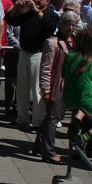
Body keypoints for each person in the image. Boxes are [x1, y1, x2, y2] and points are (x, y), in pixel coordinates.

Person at [5, 0, 58, 130]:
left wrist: (35, 10)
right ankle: (21, 118)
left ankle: (38, 121)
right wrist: (17, 7)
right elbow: (11, 20)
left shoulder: (50, 14)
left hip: (39, 54)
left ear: (48, 1)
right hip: (24, 52)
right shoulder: (27, 13)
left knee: (37, 88)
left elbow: (49, 25)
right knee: (22, 87)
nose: (36, 0)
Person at [36, 10, 78, 163]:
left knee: (52, 117)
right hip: (56, 86)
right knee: (53, 118)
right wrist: (45, 90)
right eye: (68, 24)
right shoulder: (52, 42)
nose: (71, 28)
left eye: (73, 24)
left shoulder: (75, 41)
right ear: (61, 25)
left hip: (69, 85)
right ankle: (49, 152)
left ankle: (38, 146)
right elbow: (46, 68)